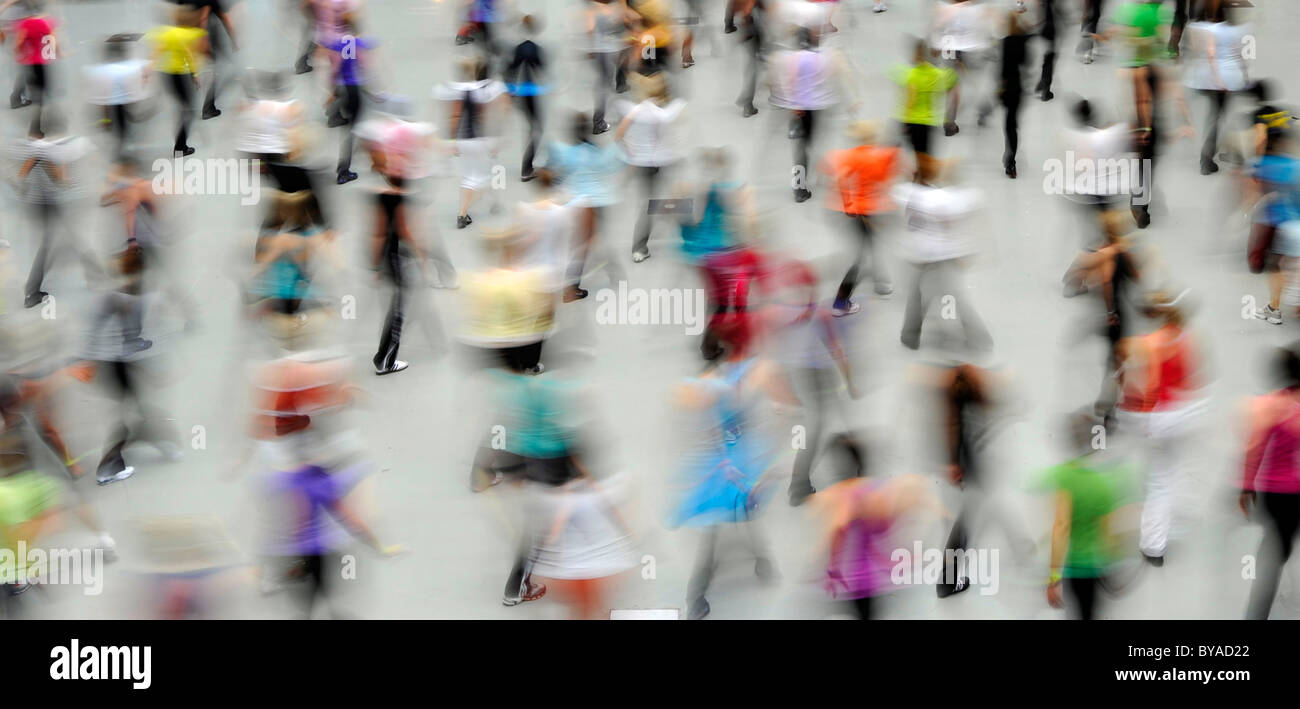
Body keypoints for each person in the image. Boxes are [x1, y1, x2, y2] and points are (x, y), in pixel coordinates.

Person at [1114, 289, 1206, 566]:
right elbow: (1191, 379)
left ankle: (1153, 544)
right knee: (1172, 468)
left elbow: (1138, 386)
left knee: (1158, 479)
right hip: (1183, 415)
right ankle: (1180, 515)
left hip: (1154, 419)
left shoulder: (1139, 344)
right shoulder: (1187, 338)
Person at [1043, 412, 1138, 620]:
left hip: (1075, 567)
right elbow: (1108, 532)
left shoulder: (1065, 477)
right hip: (1095, 567)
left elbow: (1061, 527)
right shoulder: (1102, 484)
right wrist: (1113, 568)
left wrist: (1054, 577)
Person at [894, 157, 992, 353]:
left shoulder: (920, 197)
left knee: (919, 294)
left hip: (921, 254)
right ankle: (978, 337)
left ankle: (910, 335)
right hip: (949, 256)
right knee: (954, 295)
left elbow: (900, 193)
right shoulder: (961, 198)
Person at [1239, 344, 1300, 619]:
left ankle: (1258, 611)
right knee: (1284, 542)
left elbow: (1255, 450)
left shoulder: (1268, 406)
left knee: (1273, 548)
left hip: (1277, 492)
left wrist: (1246, 485)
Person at [767, 26, 855, 203]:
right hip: (816, 107)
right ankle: (806, 183)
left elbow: (790, 82)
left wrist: (793, 104)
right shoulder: (820, 58)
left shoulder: (794, 59)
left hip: (800, 108)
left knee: (802, 148)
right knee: (810, 144)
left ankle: (799, 185)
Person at [820, 120, 899, 313]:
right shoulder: (877, 158)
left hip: (854, 211)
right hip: (868, 213)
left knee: (870, 244)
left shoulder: (850, 156)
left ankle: (881, 282)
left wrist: (847, 203)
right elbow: (887, 180)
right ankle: (840, 302)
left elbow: (836, 175)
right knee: (860, 257)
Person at [615, 71, 685, 262]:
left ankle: (641, 247)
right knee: (659, 201)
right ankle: (642, 244)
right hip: (659, 163)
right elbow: (670, 116)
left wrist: (631, 153)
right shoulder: (658, 113)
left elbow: (619, 135)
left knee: (648, 203)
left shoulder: (637, 110)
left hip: (641, 164)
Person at [434, 55, 507, 229]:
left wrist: (452, 140)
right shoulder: (485, 90)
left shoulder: (458, 91)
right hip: (480, 138)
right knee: (486, 174)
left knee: (471, 176)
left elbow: (455, 116)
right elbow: (488, 116)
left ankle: (472, 210)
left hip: (463, 139)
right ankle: (467, 210)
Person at [1183, 0, 1249, 175]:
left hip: (1205, 79)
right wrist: (1236, 76)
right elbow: (1238, 55)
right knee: (1218, 117)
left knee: (1216, 116)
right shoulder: (1234, 30)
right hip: (1226, 80)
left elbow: (1200, 53)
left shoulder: (1202, 28)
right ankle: (1208, 157)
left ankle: (1224, 152)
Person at [148, 5, 211, 156]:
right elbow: (192, 56)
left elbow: (157, 50)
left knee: (183, 106)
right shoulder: (191, 34)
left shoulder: (166, 33)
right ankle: (180, 147)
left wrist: (150, 68)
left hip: (167, 74)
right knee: (188, 110)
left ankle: (180, 144)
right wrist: (195, 75)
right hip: (182, 74)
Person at [321, 18, 375, 184]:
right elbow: (364, 66)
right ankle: (344, 170)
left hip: (342, 87)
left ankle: (334, 113)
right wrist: (372, 91)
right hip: (354, 88)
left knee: (351, 126)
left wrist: (332, 91)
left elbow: (334, 69)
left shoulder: (336, 44)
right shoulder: (359, 43)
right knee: (354, 129)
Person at [891, 40, 958, 170]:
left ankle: (916, 177)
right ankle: (922, 179)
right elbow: (953, 81)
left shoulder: (909, 74)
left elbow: (908, 100)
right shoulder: (936, 73)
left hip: (911, 120)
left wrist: (902, 120)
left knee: (915, 154)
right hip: (928, 122)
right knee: (925, 155)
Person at [83, 36, 151, 160]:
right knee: (122, 125)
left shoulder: (102, 70)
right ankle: (121, 147)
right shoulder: (129, 68)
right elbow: (146, 66)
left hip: (110, 101)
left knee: (118, 123)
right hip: (123, 101)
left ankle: (114, 133)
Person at [504, 15, 547, 182]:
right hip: (532, 93)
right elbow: (541, 68)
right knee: (537, 129)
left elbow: (510, 70)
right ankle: (526, 167)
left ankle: (528, 165)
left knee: (532, 127)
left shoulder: (518, 48)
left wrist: (510, 92)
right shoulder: (535, 48)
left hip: (520, 93)